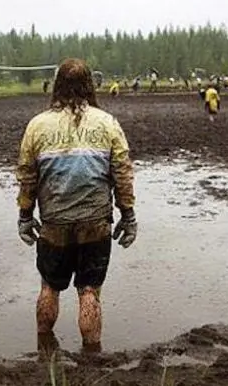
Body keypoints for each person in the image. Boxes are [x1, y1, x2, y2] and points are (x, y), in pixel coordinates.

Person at [15, 57, 137, 355]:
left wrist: (24, 215)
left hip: (54, 222)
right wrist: (128, 215)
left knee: (48, 286)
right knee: (89, 290)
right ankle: (92, 358)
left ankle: (44, 349)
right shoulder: (107, 123)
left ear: (57, 85)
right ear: (89, 85)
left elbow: (27, 174)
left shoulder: (37, 126)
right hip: (95, 222)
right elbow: (122, 173)